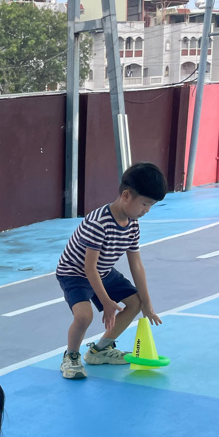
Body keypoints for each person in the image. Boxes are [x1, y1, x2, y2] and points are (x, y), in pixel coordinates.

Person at [56, 162, 168, 380]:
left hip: (103, 270)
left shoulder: (133, 224)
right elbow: (88, 267)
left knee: (135, 303)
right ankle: (71, 356)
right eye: (145, 204)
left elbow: (136, 264)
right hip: (75, 273)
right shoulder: (99, 222)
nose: (147, 210)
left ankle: (100, 350)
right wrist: (106, 302)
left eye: (151, 206)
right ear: (126, 195)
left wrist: (147, 304)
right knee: (84, 316)